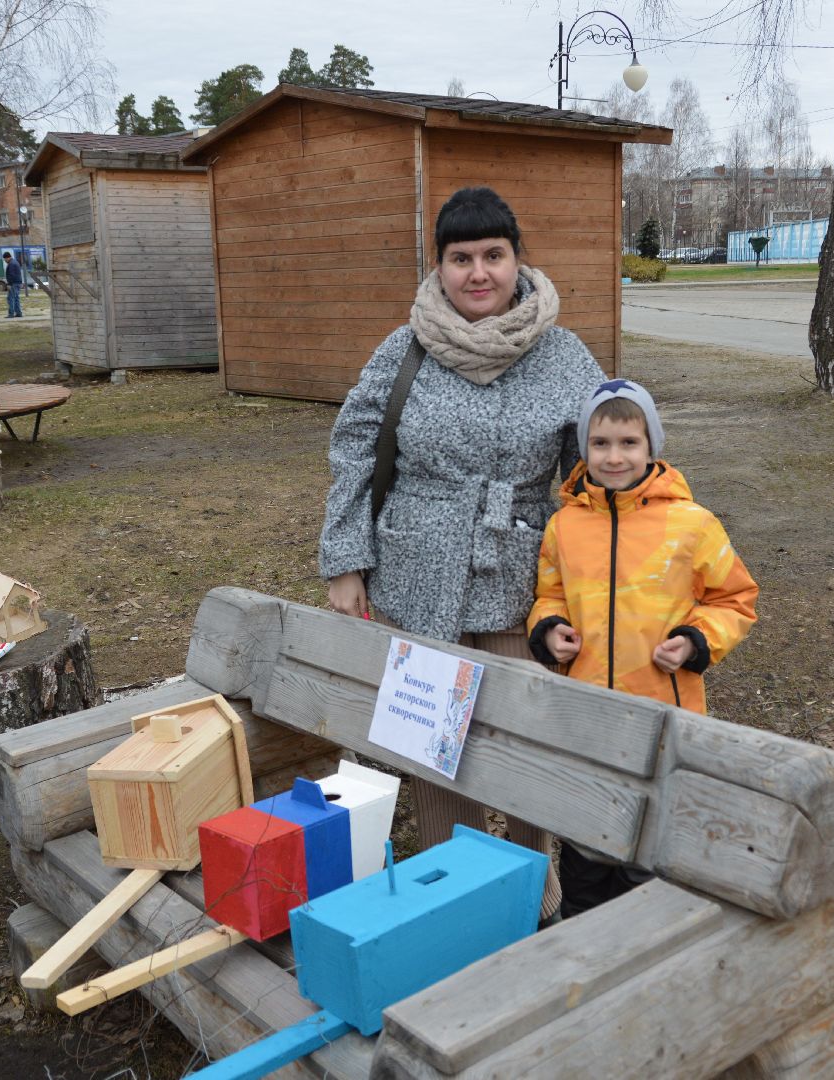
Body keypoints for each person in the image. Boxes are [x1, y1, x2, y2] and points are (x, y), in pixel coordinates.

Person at [320, 186, 606, 921]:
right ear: (439, 266)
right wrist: (346, 561)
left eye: (493, 256)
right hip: (420, 573)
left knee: (526, 733)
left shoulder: (565, 355)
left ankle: (537, 891)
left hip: (525, 577)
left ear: (517, 260)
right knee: (433, 742)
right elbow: (355, 445)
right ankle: (454, 891)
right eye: (460, 259)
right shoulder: (405, 347)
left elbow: (593, 472)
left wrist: (611, 574)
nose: (478, 273)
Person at [527, 379, 759, 916]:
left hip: (662, 714)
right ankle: (582, 938)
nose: (614, 456)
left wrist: (696, 641)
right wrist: (550, 629)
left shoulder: (691, 525)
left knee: (649, 844)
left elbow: (735, 597)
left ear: (652, 446)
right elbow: (549, 592)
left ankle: (646, 938)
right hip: (587, 717)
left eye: (629, 442)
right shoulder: (564, 526)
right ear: (583, 448)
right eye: (600, 443)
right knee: (587, 838)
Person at [3, 251, 23, 319]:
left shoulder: (11, 264)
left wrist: (9, 284)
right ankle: (19, 313)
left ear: (7, 258)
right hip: (18, 282)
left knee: (10, 298)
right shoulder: (15, 262)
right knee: (16, 298)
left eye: (5, 259)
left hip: (13, 283)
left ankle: (11, 313)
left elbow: (11, 275)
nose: (5, 261)